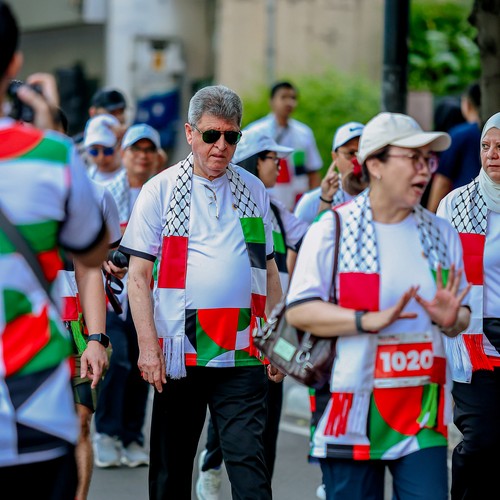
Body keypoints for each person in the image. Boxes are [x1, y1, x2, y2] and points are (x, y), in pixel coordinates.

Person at [285, 111, 471, 500]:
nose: (425, 170)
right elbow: (299, 309)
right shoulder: (332, 228)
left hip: (422, 412)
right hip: (351, 409)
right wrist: (366, 320)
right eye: (413, 158)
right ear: (375, 165)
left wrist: (453, 319)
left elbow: (461, 316)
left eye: (429, 160)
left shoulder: (441, 233)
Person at [119, 84, 283, 499]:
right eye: (211, 135)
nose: (221, 145)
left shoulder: (254, 189)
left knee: (251, 473)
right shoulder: (159, 189)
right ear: (190, 133)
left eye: (231, 136)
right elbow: (138, 276)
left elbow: (268, 270)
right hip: (180, 355)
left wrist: (281, 343)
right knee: (171, 473)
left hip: (243, 352)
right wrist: (148, 348)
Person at [0, 3, 108, 498]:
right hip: (36, 408)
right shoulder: (53, 155)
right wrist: (48, 135)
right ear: (15, 64)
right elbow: (93, 252)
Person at [196, 133, 309, 499]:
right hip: (236, 330)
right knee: (232, 411)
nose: (279, 166)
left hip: (275, 326)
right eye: (272, 158)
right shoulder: (225, 202)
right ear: (255, 162)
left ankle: (261, 485)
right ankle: (212, 464)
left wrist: (325, 201)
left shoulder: (274, 208)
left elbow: (310, 238)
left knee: (267, 412)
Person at [436, 111, 500, 500]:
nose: (493, 154)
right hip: (476, 340)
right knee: (481, 441)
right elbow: (439, 273)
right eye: (486, 146)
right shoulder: (455, 204)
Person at [92, 123, 161, 469]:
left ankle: (132, 437)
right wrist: (106, 260)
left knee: (142, 365)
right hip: (109, 297)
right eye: (136, 149)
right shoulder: (104, 193)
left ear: (157, 156)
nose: (143, 156)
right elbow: (90, 245)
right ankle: (106, 433)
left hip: (149, 297)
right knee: (117, 360)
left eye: (149, 150)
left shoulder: (165, 193)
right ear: (124, 153)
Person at [244, 81, 323, 210]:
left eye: (293, 98)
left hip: (298, 204)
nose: (289, 102)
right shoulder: (255, 132)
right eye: (283, 97)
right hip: (265, 203)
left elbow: (313, 172)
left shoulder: (304, 133)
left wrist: (314, 205)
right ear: (271, 101)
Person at [294, 121, 365, 225]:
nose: (357, 160)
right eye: (350, 153)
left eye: (362, 153)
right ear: (335, 157)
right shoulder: (312, 202)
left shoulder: (383, 197)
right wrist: (326, 200)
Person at [427, 83, 482, 212]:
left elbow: (443, 181)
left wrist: (430, 216)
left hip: (463, 208)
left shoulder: (458, 134)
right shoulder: (493, 132)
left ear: (467, 104)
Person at [84, 113, 123, 184]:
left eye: (107, 151)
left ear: (119, 146)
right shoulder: (85, 178)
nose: (101, 157)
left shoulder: (133, 176)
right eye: (94, 151)